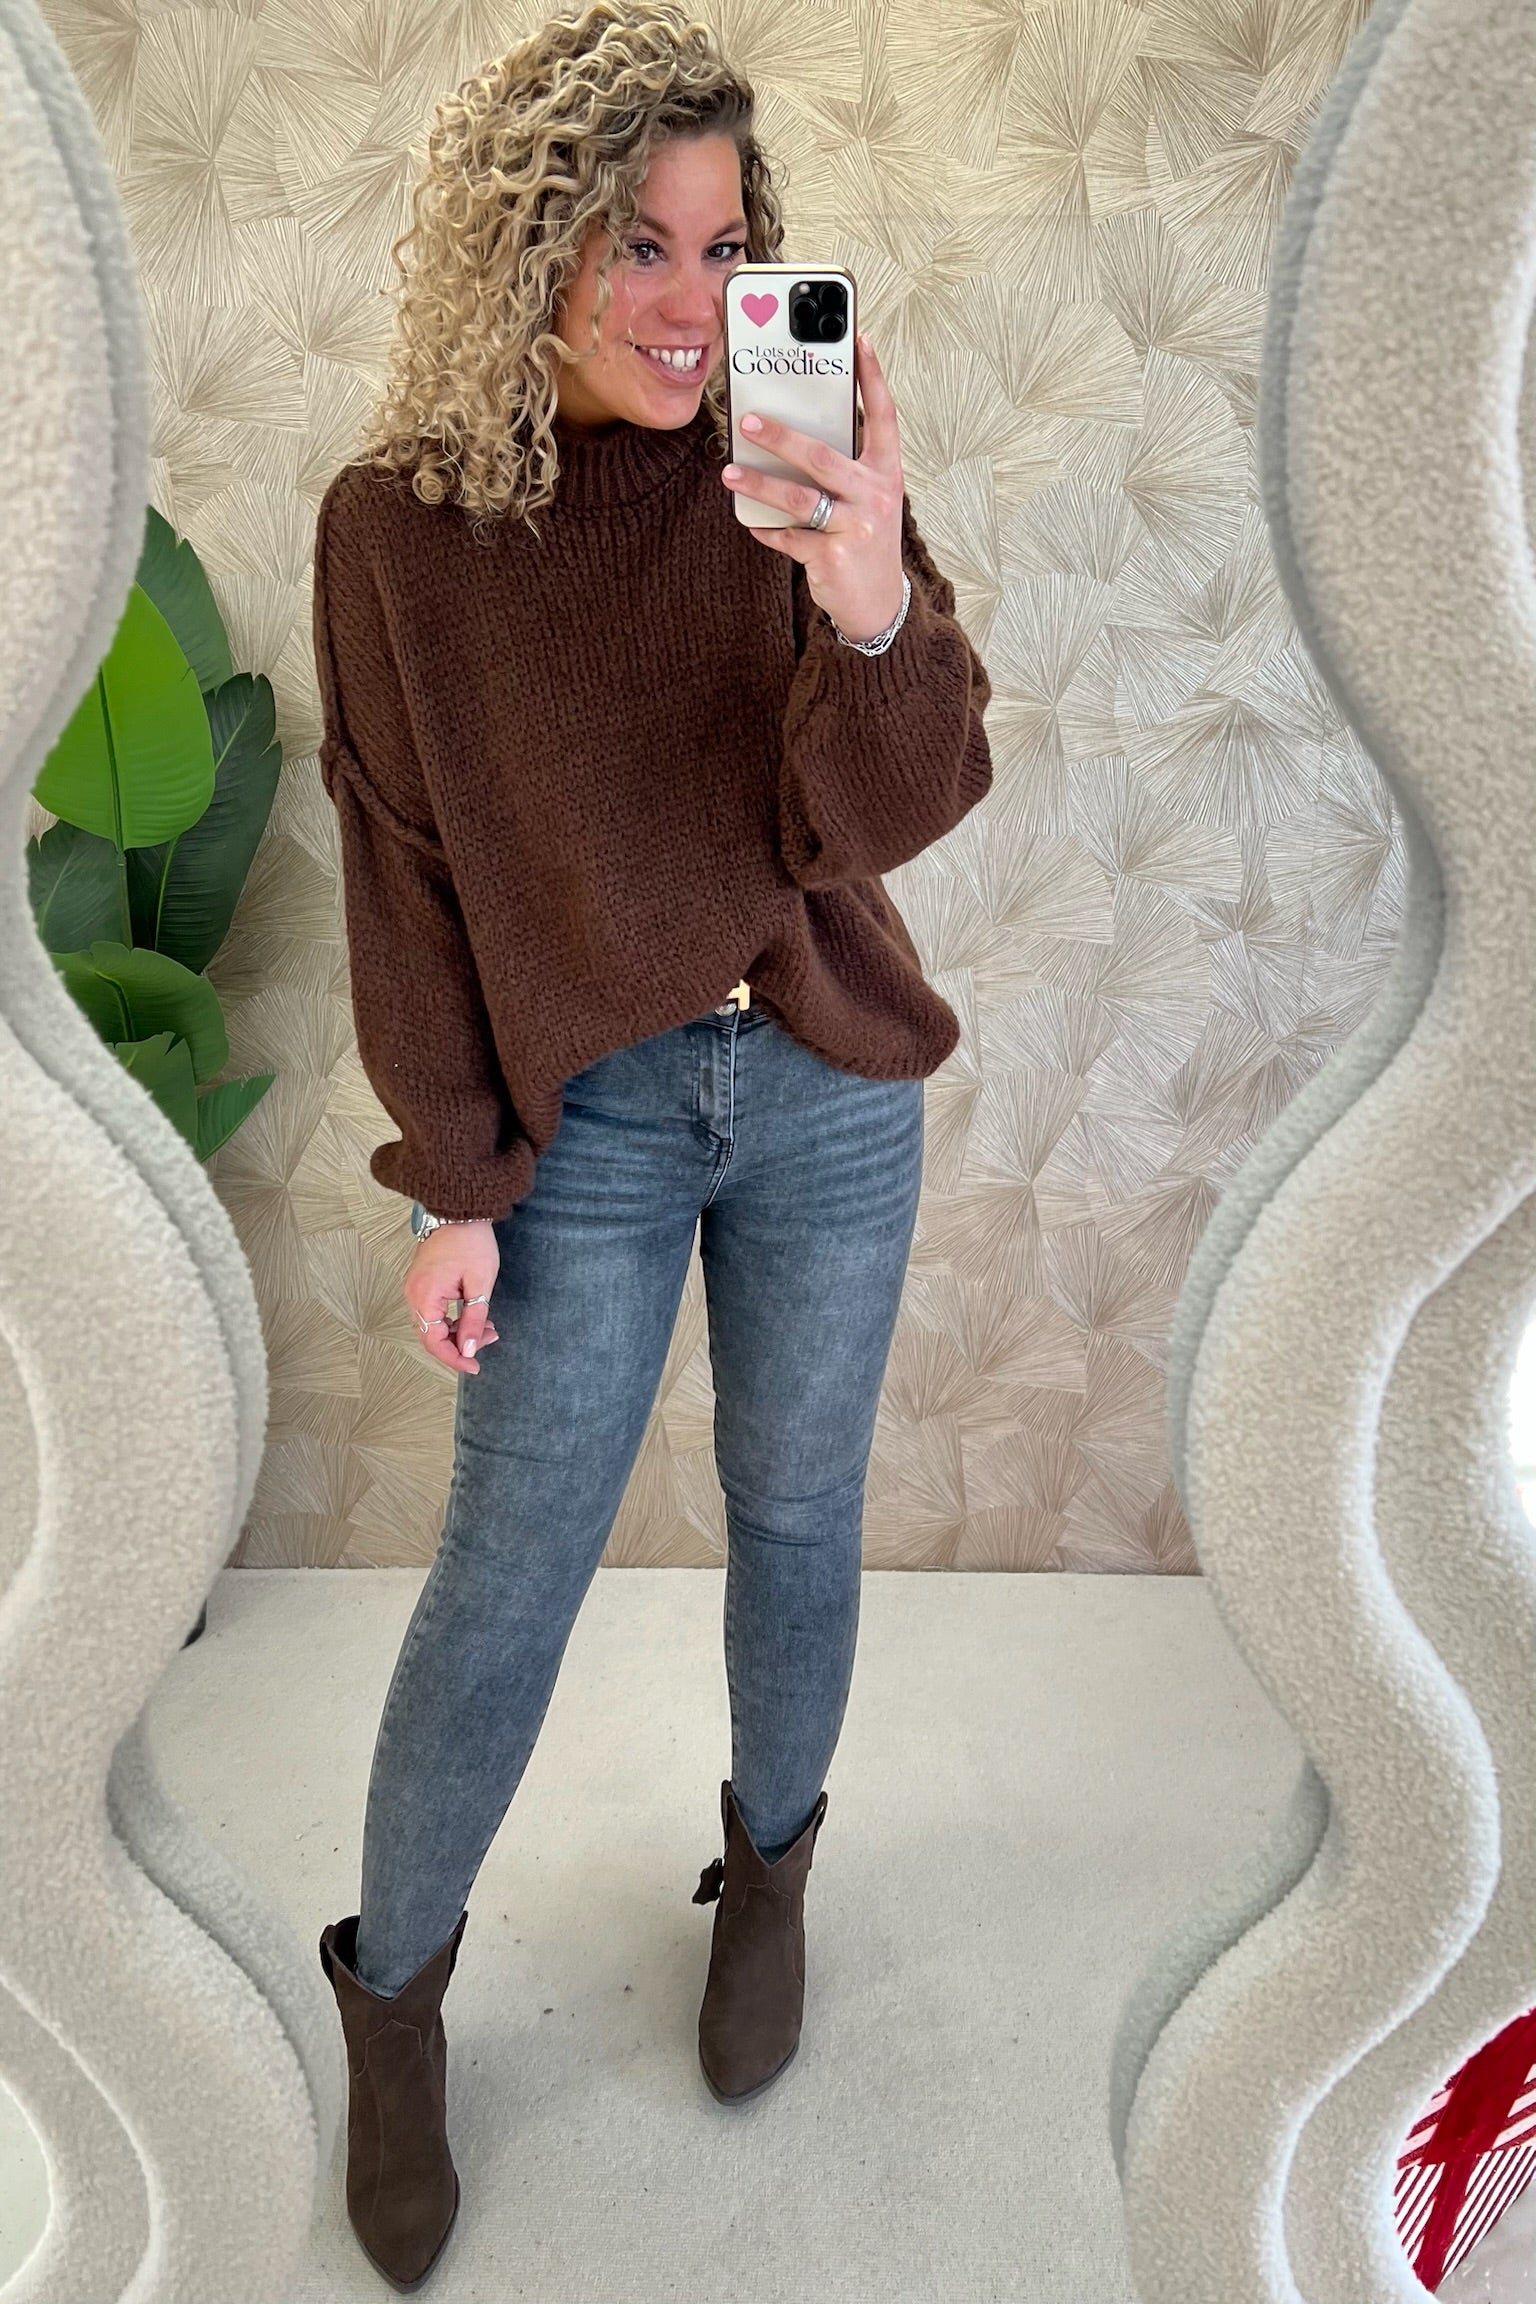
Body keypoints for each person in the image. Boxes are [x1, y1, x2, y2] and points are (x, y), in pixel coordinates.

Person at [311, 0, 993, 2287]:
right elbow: (403, 865)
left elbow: (896, 804)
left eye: (721, 247)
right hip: (585, 1119)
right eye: (634, 243)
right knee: (508, 1572)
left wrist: (870, 595)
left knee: (796, 1512)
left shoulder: (782, 477)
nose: (692, 303)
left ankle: (771, 1875)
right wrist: (455, 1178)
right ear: (526, 245)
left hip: (820, 1085)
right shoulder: (399, 534)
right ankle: (394, 2000)